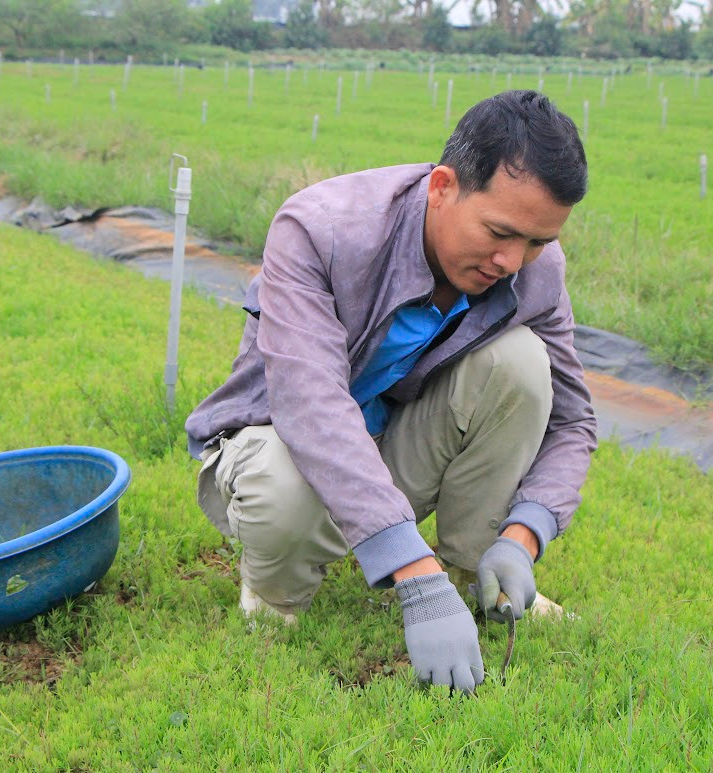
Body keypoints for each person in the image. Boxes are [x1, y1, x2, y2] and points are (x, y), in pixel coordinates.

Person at [185, 90, 596, 694]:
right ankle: (274, 595)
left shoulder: (534, 268)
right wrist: (413, 577)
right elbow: (311, 406)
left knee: (521, 364)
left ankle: (479, 572)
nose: (513, 260)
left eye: (537, 241)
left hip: (393, 444)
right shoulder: (322, 231)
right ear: (443, 187)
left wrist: (523, 534)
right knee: (282, 484)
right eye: (500, 232)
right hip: (281, 442)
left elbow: (573, 420)